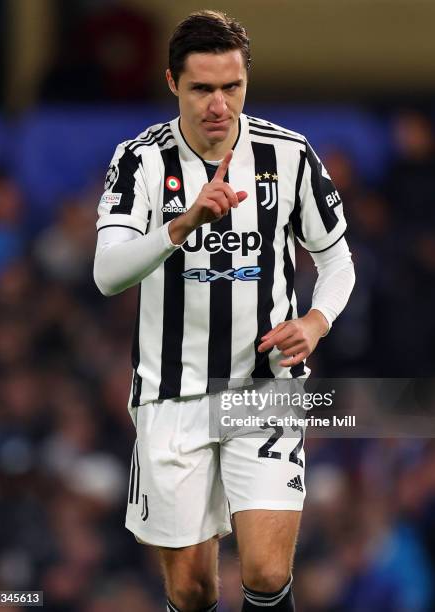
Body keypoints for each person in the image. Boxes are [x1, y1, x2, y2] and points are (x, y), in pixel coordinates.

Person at [93, 10, 355, 612]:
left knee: (264, 571)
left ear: (245, 83)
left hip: (262, 386)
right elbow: (107, 275)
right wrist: (183, 224)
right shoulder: (140, 161)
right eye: (202, 88)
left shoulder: (288, 155)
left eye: (231, 87)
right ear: (171, 84)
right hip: (170, 392)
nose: (219, 103)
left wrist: (316, 322)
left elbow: (338, 263)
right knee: (192, 589)